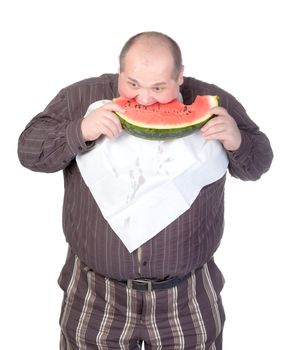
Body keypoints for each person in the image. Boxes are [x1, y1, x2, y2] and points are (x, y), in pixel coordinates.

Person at [18, 31, 273, 349]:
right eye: (133, 84)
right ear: (119, 71)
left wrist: (237, 140)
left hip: (188, 294)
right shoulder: (80, 98)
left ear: (180, 76)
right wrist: (80, 129)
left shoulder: (213, 102)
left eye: (159, 87)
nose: (145, 100)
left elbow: (259, 163)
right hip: (95, 292)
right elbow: (29, 152)